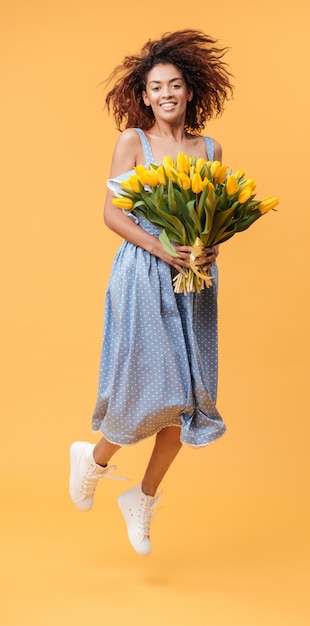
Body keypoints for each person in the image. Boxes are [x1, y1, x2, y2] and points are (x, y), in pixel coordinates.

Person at [69, 29, 233, 556]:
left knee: (188, 400)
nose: (167, 94)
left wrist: (208, 249)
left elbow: (211, 218)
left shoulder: (209, 148)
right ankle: (93, 459)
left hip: (194, 281)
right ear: (144, 95)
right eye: (157, 86)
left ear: (190, 91)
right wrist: (165, 249)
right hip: (144, 271)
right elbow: (112, 214)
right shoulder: (132, 142)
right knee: (152, 389)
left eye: (176, 85)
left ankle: (142, 497)